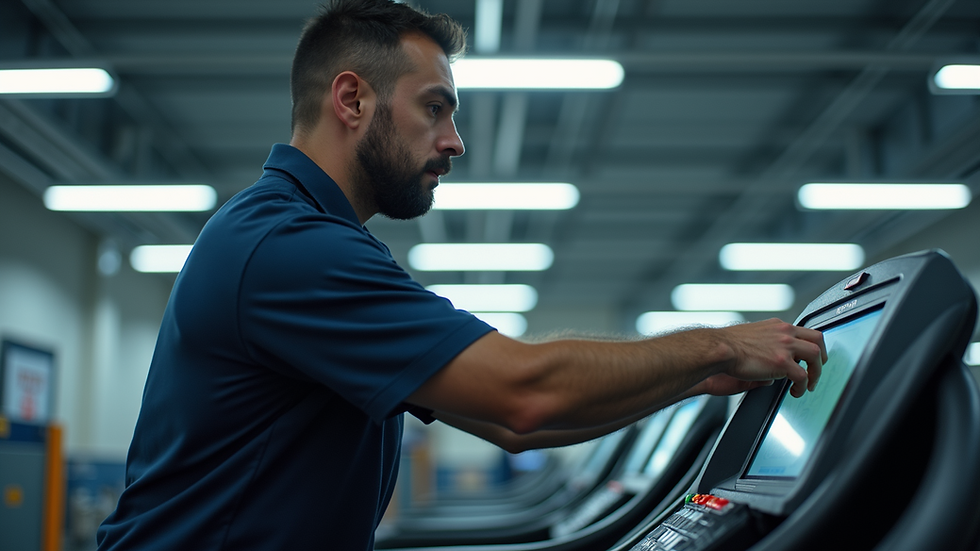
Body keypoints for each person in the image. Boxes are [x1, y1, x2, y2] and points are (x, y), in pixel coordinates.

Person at [96, 1, 826, 549]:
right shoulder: (288, 247)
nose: (455, 140)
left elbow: (508, 426)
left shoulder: (311, 242)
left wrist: (688, 382)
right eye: (435, 108)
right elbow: (524, 393)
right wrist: (716, 347)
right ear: (351, 100)